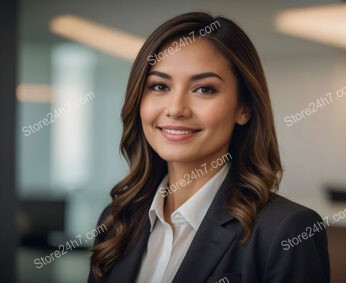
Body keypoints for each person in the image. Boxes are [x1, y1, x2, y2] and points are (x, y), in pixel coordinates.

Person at [88, 12, 330, 283]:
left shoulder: (286, 231)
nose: (176, 109)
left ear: (244, 107)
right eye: (159, 86)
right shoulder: (116, 221)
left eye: (204, 89)